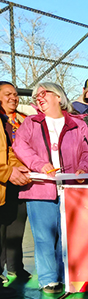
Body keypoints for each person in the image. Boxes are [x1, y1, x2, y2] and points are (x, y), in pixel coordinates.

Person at [12, 82, 88, 294]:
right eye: (35, 96)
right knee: (43, 237)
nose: (38, 98)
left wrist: (83, 170)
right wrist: (39, 164)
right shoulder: (30, 122)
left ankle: (66, 275)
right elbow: (20, 145)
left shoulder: (79, 125)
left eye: (43, 93)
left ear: (58, 96)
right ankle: (49, 280)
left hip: (71, 190)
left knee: (67, 236)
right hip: (40, 189)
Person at [0, 81, 30, 281]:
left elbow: (9, 151)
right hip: (5, 178)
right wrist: (9, 171)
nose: (13, 98)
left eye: (15, 94)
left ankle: (15, 266)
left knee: (16, 225)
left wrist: (22, 167)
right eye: (7, 94)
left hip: (19, 178)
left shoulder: (24, 119)